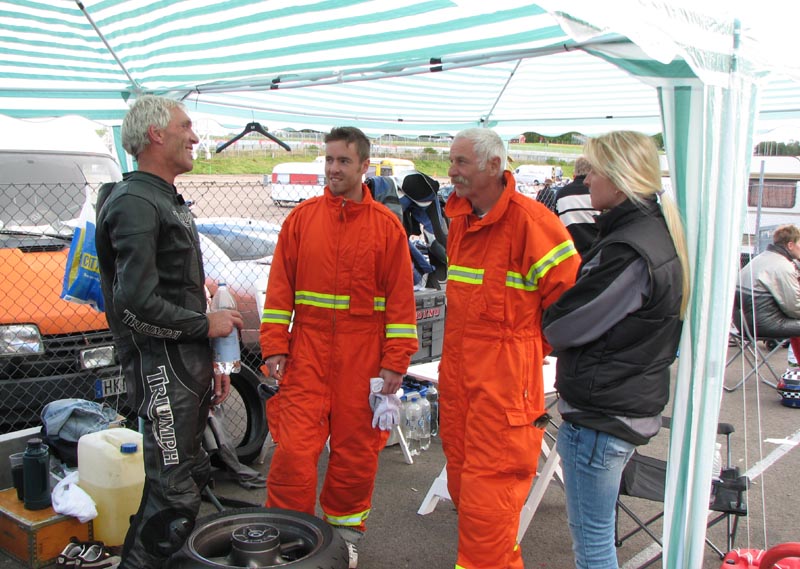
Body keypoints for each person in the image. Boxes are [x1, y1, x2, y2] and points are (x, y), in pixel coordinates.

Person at [259, 126, 418, 568]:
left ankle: (345, 536)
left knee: (355, 456)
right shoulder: (301, 220)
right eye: (328, 160)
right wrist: (274, 346)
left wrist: (395, 362)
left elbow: (401, 305)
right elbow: (279, 291)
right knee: (293, 453)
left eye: (343, 161)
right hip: (306, 355)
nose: (333, 168)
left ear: (364, 166)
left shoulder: (386, 228)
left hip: (363, 361)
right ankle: (287, 536)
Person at [95, 95, 243, 569]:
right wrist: (205, 325)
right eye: (186, 126)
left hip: (184, 366)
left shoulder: (162, 197)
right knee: (174, 493)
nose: (194, 137)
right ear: (156, 134)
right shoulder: (136, 202)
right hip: (162, 369)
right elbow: (133, 305)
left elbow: (171, 290)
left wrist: (209, 355)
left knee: (189, 476)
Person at [542, 130, 690, 569]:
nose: (586, 181)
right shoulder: (650, 233)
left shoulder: (630, 248)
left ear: (620, 177)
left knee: (593, 545)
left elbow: (564, 325)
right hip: (618, 405)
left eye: (593, 172)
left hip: (602, 415)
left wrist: (554, 308)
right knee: (595, 538)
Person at [438, 128, 580, 569]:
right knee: (467, 495)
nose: (451, 171)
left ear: (494, 166)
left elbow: (571, 307)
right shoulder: (461, 221)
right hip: (460, 388)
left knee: (489, 506)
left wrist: (523, 351)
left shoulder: (533, 224)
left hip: (503, 395)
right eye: (452, 160)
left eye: (461, 162)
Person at [736, 224, 800, 362]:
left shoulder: (763, 258)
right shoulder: (783, 266)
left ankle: (795, 366)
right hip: (762, 324)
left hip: (742, 323)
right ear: (790, 245)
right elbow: (795, 308)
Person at [554, 156, 599, 257]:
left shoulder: (562, 193)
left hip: (571, 251)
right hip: (595, 250)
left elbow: (558, 222)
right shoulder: (596, 191)